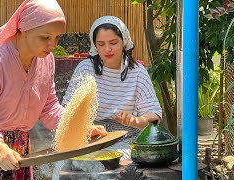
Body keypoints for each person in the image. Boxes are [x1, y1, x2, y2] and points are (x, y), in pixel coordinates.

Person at [0, 0, 106, 179]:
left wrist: (79, 128)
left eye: (57, 38)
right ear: (24, 29)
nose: (52, 45)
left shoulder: (46, 60)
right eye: (45, 37)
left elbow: (49, 108)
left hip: (16, 135)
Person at [62, 16, 162, 160]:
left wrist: (134, 121)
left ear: (124, 42)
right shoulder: (85, 70)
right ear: (94, 46)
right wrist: (84, 128)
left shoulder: (138, 73)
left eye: (113, 43)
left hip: (126, 139)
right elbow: (68, 109)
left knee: (107, 162)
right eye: (101, 44)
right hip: (90, 137)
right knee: (68, 166)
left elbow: (154, 117)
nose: (107, 49)